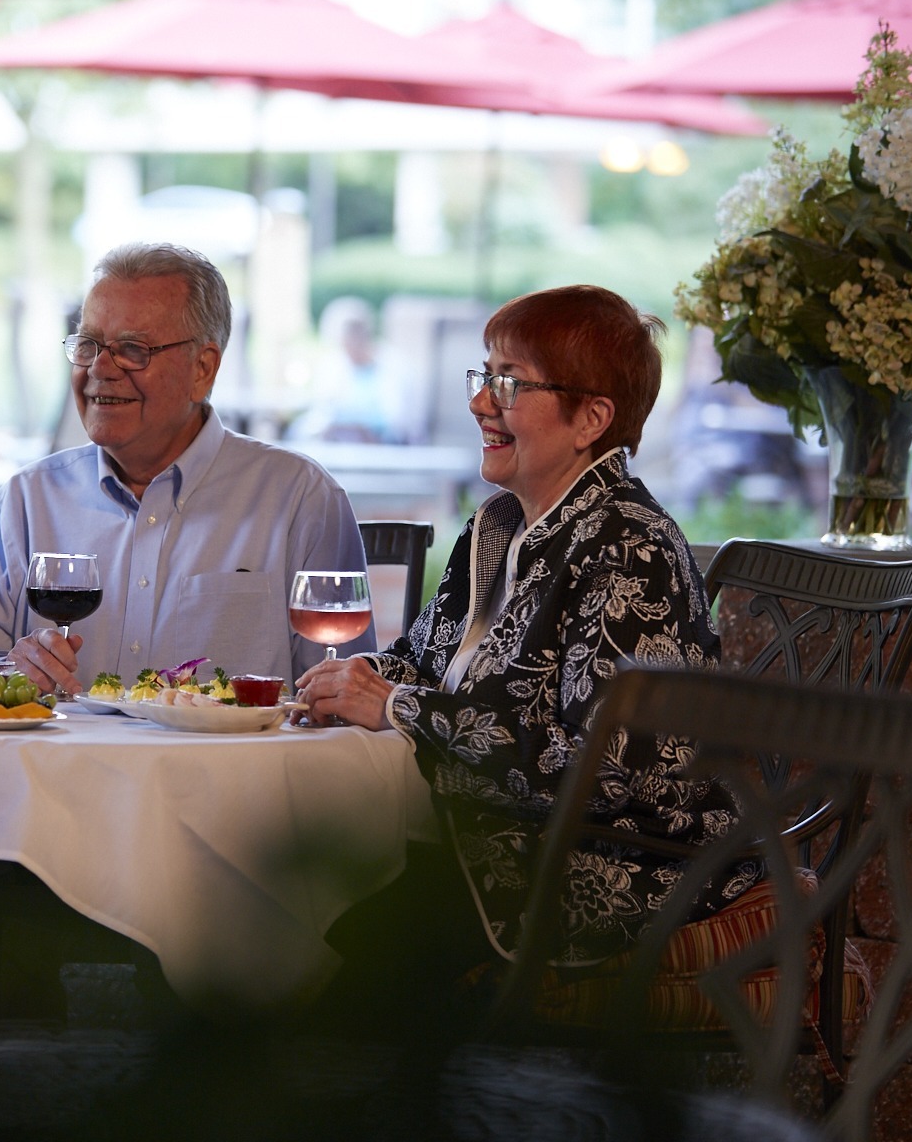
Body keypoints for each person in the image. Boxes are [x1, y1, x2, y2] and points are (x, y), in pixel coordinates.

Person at [297, 285, 758, 988]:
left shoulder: (631, 547)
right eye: (484, 375)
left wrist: (397, 707)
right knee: (292, 877)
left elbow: (603, 775)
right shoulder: (500, 526)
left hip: (616, 863)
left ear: (592, 419)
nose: (482, 400)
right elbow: (419, 664)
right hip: (484, 833)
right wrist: (339, 686)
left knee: (324, 940)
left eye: (509, 382)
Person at [0, 242, 372, 696]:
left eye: (132, 349)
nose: (100, 368)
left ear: (202, 369)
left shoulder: (301, 501)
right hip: (53, 767)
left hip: (229, 768)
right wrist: (9, 671)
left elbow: (338, 703)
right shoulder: (24, 504)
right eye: (89, 345)